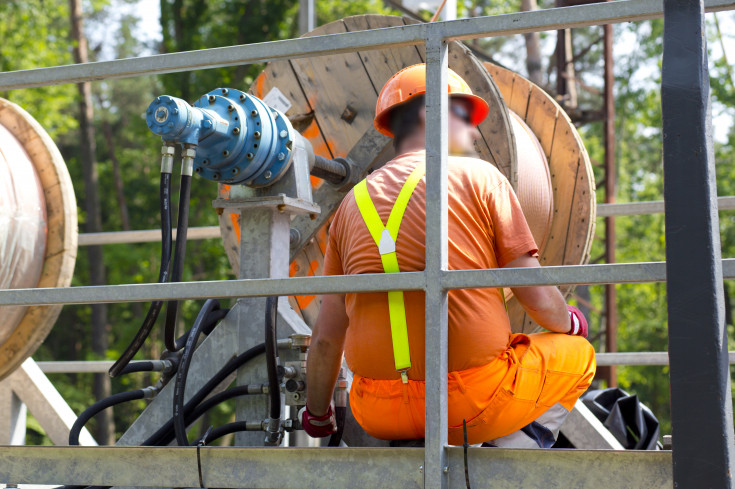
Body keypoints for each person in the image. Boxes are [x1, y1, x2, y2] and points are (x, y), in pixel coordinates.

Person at [301, 63, 596, 448]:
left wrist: (318, 415)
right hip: (468, 404)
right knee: (579, 354)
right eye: (465, 117)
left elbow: (326, 338)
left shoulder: (348, 208)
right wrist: (573, 323)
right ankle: (516, 454)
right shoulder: (482, 178)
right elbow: (536, 297)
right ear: (431, 113)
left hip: (375, 410)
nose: (474, 131)